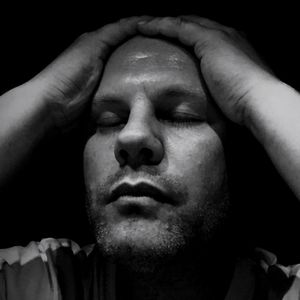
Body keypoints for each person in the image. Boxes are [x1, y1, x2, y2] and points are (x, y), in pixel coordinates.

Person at [1, 15, 300, 299]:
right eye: (109, 120)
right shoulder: (43, 283)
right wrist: (48, 96)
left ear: (237, 158)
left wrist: (257, 91)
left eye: (179, 116)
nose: (130, 136)